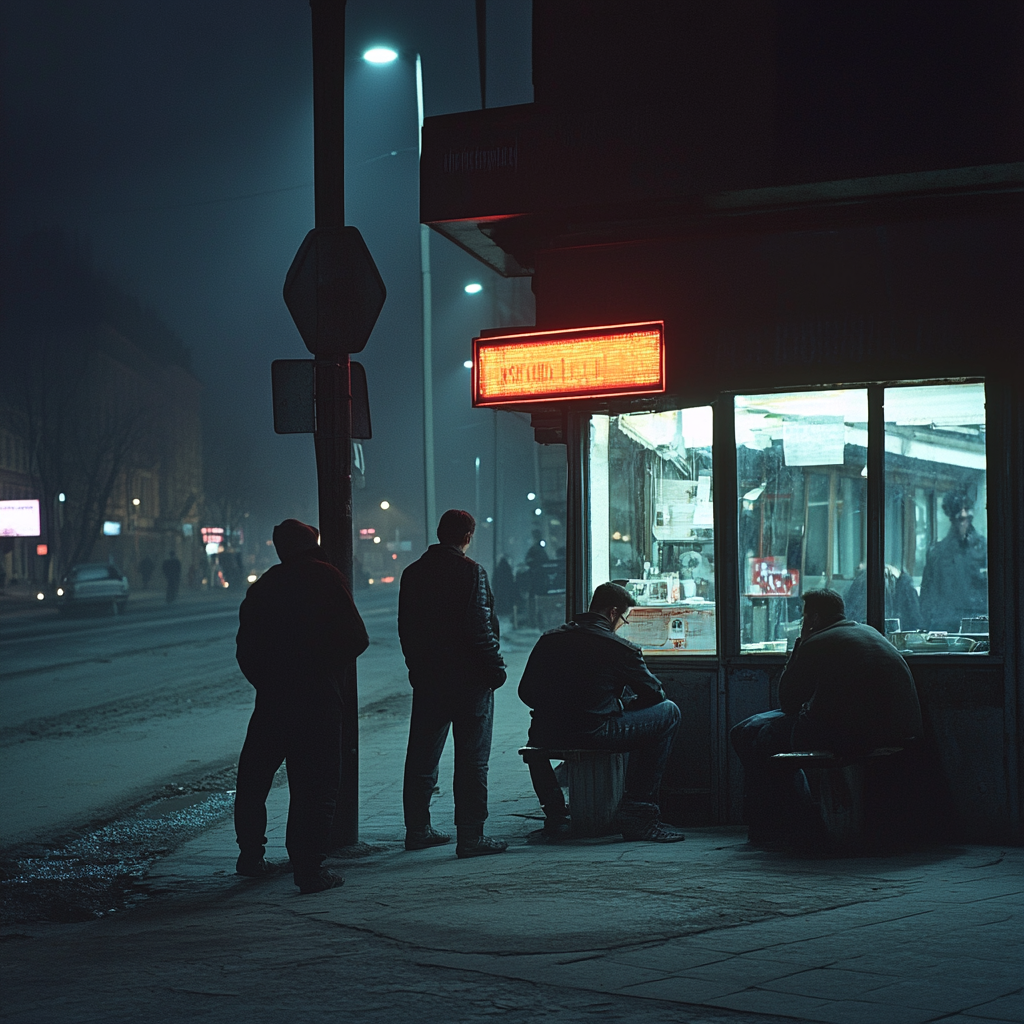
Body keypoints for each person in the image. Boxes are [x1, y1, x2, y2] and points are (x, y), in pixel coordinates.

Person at [233, 519, 369, 894]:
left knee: (254, 780)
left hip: (273, 701)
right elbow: (356, 638)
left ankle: (250, 855)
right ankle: (308, 869)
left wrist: (271, 680)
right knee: (315, 786)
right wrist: (321, 667)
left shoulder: (263, 588)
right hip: (318, 701)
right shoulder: (326, 578)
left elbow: (246, 652)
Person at [730, 588, 922, 846]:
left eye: (803, 617)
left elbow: (787, 701)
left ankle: (794, 824)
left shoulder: (817, 642)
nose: (802, 623)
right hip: (899, 728)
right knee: (747, 730)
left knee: (761, 739)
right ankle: (775, 824)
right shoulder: (868, 632)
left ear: (815, 619)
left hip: (848, 733)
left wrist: (799, 644)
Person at [518, 582, 685, 843]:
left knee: (535, 742)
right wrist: (618, 704)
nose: (621, 625)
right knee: (669, 713)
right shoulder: (619, 648)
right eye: (623, 619)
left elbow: (525, 692)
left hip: (546, 734)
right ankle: (639, 812)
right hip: (593, 732)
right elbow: (655, 695)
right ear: (612, 613)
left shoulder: (549, 639)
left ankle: (556, 817)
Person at [398, 510, 508, 858]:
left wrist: (416, 669)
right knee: (472, 759)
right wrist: (495, 668)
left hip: (429, 679)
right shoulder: (470, 572)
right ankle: (471, 836)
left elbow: (406, 629)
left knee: (421, 758)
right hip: (469, 680)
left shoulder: (412, 573)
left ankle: (417, 830)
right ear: (468, 536)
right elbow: (479, 628)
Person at [919, 489, 987, 633]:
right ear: (949, 514)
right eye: (957, 509)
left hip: (980, 629)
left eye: (966, 508)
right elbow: (927, 599)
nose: (963, 514)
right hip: (946, 630)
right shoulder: (937, 553)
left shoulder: (986, 549)